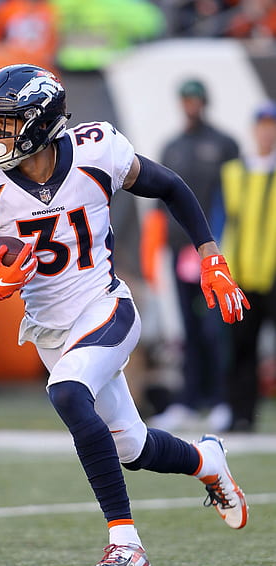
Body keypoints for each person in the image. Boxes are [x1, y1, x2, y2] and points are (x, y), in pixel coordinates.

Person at [0, 64, 249, 566]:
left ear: (40, 123)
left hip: (106, 305)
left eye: (4, 123)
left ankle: (125, 543)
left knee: (66, 393)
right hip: (48, 328)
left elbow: (171, 187)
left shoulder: (96, 149)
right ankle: (207, 461)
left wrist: (210, 256)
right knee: (131, 447)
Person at [147, 78, 239, 433]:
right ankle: (189, 399)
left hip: (210, 250)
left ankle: (219, 398)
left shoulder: (223, 144)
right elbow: (158, 201)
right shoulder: (173, 146)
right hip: (177, 248)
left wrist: (219, 245)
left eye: (195, 99)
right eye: (186, 99)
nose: (191, 105)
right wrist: (152, 249)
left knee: (214, 327)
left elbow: (232, 199)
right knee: (187, 326)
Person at [218, 101, 276, 431]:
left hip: (273, 273)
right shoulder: (233, 172)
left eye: (272, 124)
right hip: (240, 274)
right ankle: (240, 414)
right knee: (241, 350)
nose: (267, 131)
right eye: (262, 124)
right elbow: (219, 218)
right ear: (254, 129)